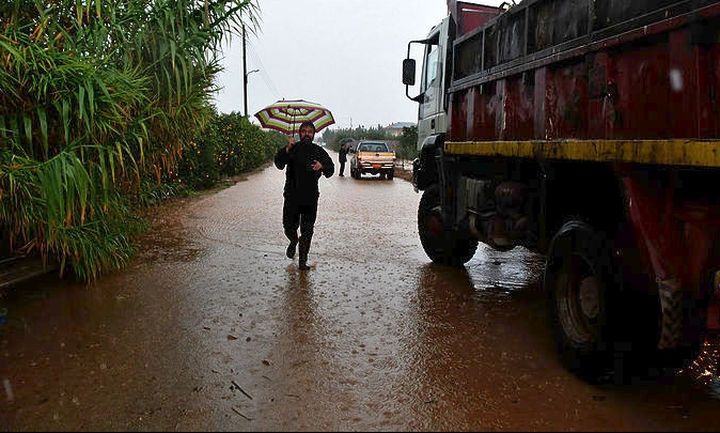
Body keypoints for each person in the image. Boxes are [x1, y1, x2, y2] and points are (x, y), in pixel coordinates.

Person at [274, 121, 335, 271]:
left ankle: (302, 261)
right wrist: (286, 149)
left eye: (310, 131)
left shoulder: (318, 151)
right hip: (291, 196)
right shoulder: (292, 149)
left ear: (313, 134)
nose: (307, 134)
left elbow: (331, 169)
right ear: (299, 133)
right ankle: (293, 241)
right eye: (304, 131)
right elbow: (278, 163)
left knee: (307, 230)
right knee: (288, 226)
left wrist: (323, 166)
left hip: (310, 197)